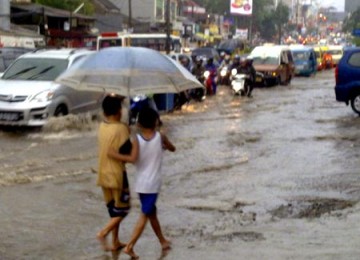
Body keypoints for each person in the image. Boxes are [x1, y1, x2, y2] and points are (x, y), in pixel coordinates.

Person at [109, 107, 176, 259]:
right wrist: (165, 145)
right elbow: (173, 148)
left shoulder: (137, 140)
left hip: (140, 184)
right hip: (153, 185)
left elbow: (132, 159)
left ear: (139, 123)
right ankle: (130, 246)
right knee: (145, 215)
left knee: (152, 213)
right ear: (155, 121)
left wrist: (116, 155)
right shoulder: (160, 137)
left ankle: (163, 241)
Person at [96, 94, 131, 251]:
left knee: (113, 210)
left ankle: (115, 240)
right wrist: (127, 130)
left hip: (103, 174)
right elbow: (127, 151)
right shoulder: (122, 129)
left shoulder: (102, 126)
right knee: (124, 209)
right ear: (119, 111)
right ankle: (103, 233)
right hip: (117, 175)